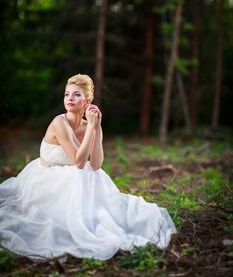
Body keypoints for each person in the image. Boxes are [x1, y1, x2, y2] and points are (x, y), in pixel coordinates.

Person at [0, 74, 176, 260]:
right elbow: (78, 161)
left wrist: (96, 128)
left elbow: (96, 164)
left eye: (76, 95)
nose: (70, 99)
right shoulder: (59, 123)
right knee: (78, 174)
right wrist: (91, 128)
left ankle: (92, 221)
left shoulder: (88, 125)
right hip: (47, 180)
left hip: (72, 179)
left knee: (91, 175)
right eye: (67, 94)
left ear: (87, 101)